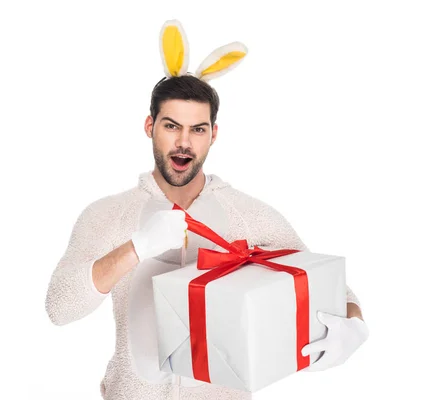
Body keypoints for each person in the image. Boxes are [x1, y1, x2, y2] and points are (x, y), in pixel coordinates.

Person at [45, 20, 369, 400]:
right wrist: (135, 248)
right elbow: (59, 307)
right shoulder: (107, 215)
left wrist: (355, 327)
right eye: (171, 126)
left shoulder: (249, 215)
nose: (184, 143)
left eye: (198, 129)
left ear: (214, 134)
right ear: (150, 126)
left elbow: (330, 288)